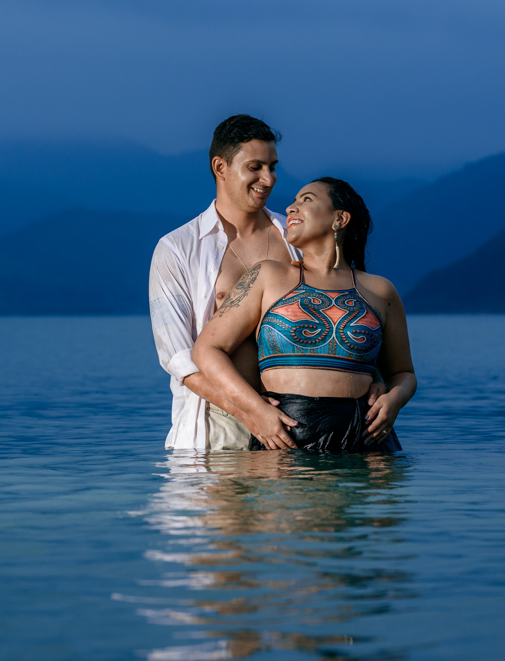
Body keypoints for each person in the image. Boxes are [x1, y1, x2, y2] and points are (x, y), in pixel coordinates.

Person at [149, 115, 393, 451]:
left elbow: (343, 311)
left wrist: (376, 379)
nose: (269, 179)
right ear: (220, 167)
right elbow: (178, 358)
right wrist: (252, 411)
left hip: (297, 421)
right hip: (217, 423)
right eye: (255, 167)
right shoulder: (178, 249)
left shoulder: (295, 235)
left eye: (273, 167)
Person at [191, 178, 417, 452]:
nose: (290, 208)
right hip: (284, 437)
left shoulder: (381, 291)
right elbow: (206, 349)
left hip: (367, 439)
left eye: (306, 200)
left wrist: (394, 400)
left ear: (340, 219)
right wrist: (255, 411)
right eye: (294, 202)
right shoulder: (266, 276)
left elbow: (403, 373)